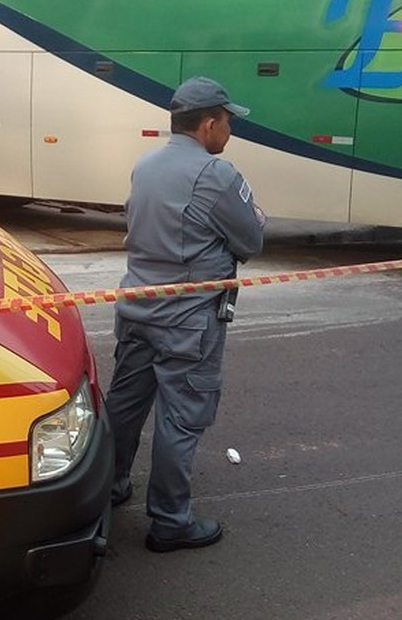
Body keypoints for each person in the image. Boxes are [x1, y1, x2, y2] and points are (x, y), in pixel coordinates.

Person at [105, 76, 265, 552]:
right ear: (210, 123)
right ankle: (171, 523)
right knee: (181, 418)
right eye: (229, 121)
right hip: (187, 322)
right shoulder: (217, 176)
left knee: (125, 405)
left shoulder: (146, 164)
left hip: (136, 309)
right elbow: (251, 240)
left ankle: (108, 487)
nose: (231, 130)